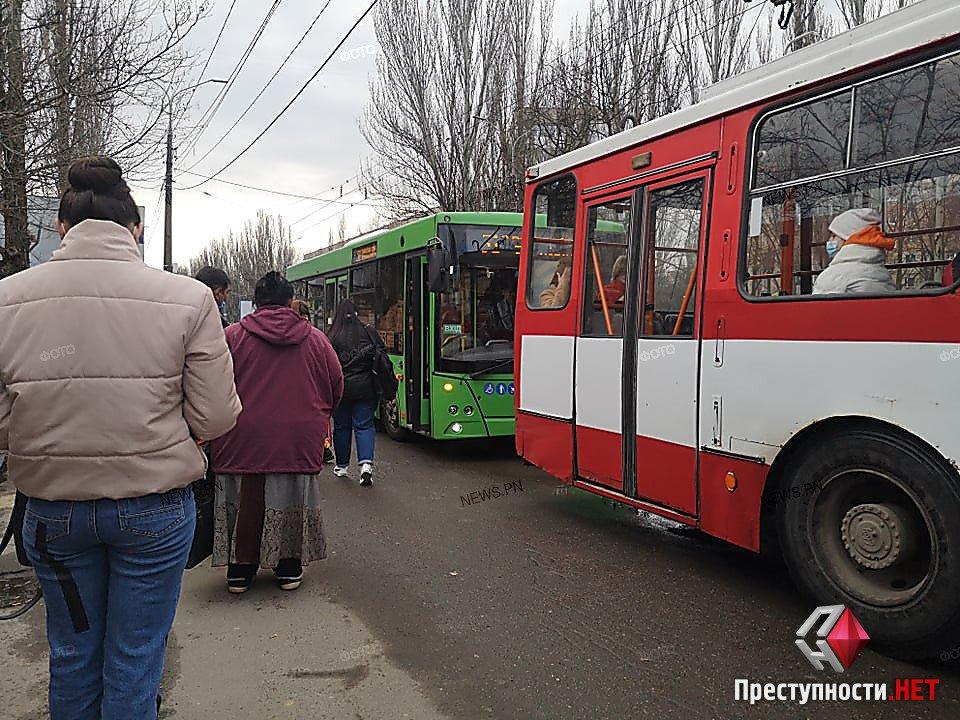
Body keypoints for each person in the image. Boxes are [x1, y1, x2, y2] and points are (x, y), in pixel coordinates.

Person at [0, 156, 241, 719]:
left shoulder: (7, 300)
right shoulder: (188, 299)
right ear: (134, 229)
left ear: (59, 228)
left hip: (55, 513)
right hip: (153, 515)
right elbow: (215, 418)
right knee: (135, 659)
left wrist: (39, 439)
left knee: (72, 654)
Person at [211, 272, 343, 593]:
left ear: (254, 303)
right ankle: (288, 568)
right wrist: (318, 414)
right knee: (290, 498)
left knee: (243, 498)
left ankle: (240, 570)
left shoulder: (231, 338)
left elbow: (210, 385)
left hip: (240, 434)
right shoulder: (315, 339)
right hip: (297, 437)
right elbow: (336, 385)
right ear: (289, 301)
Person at [329, 298, 382, 487]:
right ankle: (366, 465)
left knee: (342, 427)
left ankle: (342, 466)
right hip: (366, 387)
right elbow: (380, 355)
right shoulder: (368, 331)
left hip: (341, 388)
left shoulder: (332, 335)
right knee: (364, 425)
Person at [812, 208, 897, 295]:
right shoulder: (882, 273)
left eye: (834, 236)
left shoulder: (833, 276)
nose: (829, 240)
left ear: (848, 239)